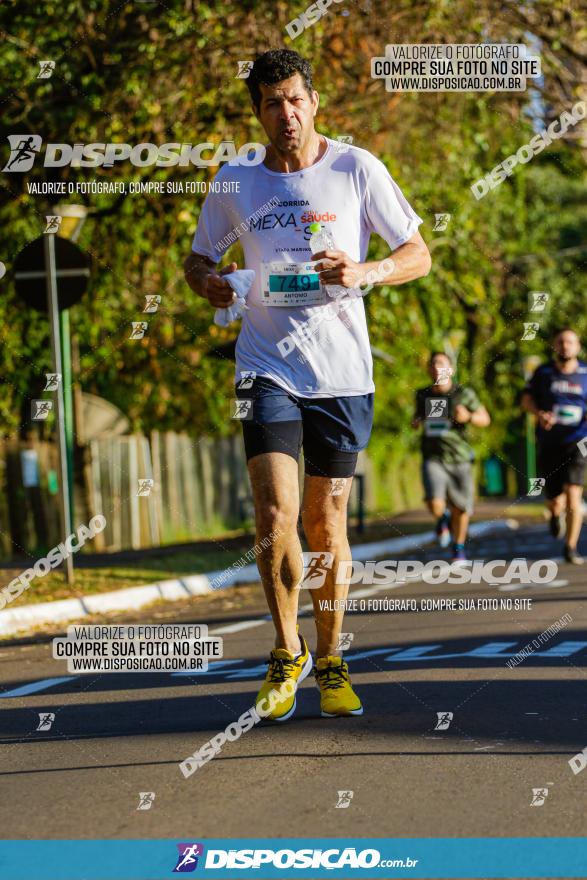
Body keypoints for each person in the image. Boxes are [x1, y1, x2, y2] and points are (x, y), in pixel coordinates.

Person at [184, 48, 431, 721]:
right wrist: (204, 280)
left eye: (294, 99)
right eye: (270, 102)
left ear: (314, 101)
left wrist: (365, 272)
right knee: (274, 514)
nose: (285, 113)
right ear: (257, 113)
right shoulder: (237, 182)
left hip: (342, 374)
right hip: (265, 365)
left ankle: (329, 657)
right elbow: (199, 256)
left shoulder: (355, 168)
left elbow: (417, 253)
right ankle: (285, 650)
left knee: (325, 524)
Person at [412, 352, 490, 562]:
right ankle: (442, 519)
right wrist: (416, 422)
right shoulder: (422, 394)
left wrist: (469, 416)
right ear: (429, 369)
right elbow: (417, 417)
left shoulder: (464, 394)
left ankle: (458, 547)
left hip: (460, 458)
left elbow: (485, 418)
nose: (437, 368)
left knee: (461, 508)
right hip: (433, 457)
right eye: (434, 364)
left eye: (442, 364)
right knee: (433, 501)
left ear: (451, 370)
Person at [521, 328, 587, 565]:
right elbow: (526, 399)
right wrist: (539, 414)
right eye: (560, 342)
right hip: (549, 442)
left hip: (579, 441)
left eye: (570, 342)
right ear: (554, 346)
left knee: (574, 494)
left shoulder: (586, 373)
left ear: (578, 347)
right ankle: (554, 513)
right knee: (555, 498)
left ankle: (570, 547)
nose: (565, 346)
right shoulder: (543, 373)